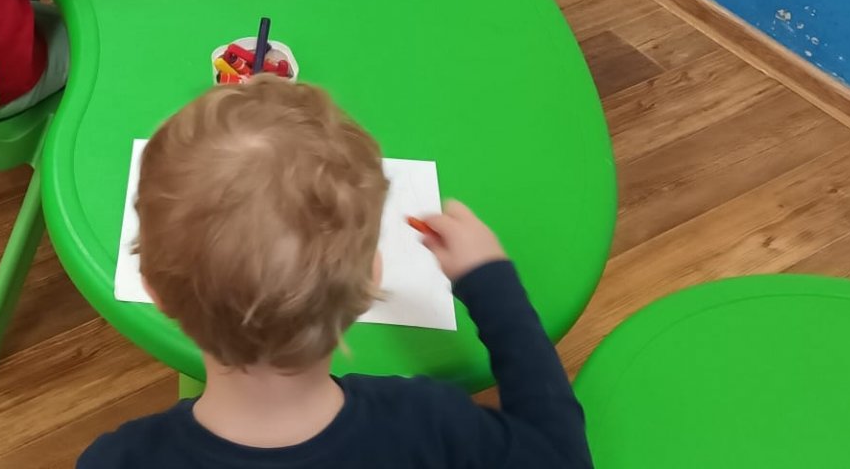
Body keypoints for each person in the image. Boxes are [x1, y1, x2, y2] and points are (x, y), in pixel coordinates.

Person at [79, 77, 592, 468]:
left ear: (155, 291)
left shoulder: (117, 460)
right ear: (370, 279)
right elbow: (560, 452)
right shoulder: (429, 423)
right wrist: (490, 281)